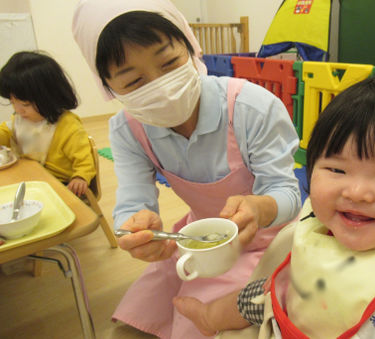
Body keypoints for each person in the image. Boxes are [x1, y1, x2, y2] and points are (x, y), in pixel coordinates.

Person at [173, 75, 375, 338]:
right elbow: (277, 287)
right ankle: (210, 316)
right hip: (295, 297)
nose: (357, 192)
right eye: (337, 170)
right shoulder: (327, 225)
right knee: (260, 293)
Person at [72, 0, 301, 338]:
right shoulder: (129, 129)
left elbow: (288, 192)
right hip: (201, 242)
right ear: (107, 88)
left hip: (273, 241)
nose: (161, 86)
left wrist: (260, 206)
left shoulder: (252, 108)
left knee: (206, 320)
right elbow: (133, 201)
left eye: (169, 63)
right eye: (134, 81)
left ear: (192, 49)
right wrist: (134, 228)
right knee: (136, 320)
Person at [0, 51, 95, 196]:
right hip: (27, 179)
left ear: (49, 98)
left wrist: (80, 176)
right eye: (13, 102)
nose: (18, 110)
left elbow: (84, 159)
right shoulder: (18, 120)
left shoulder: (67, 125)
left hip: (58, 183)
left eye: (24, 105)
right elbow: (5, 133)